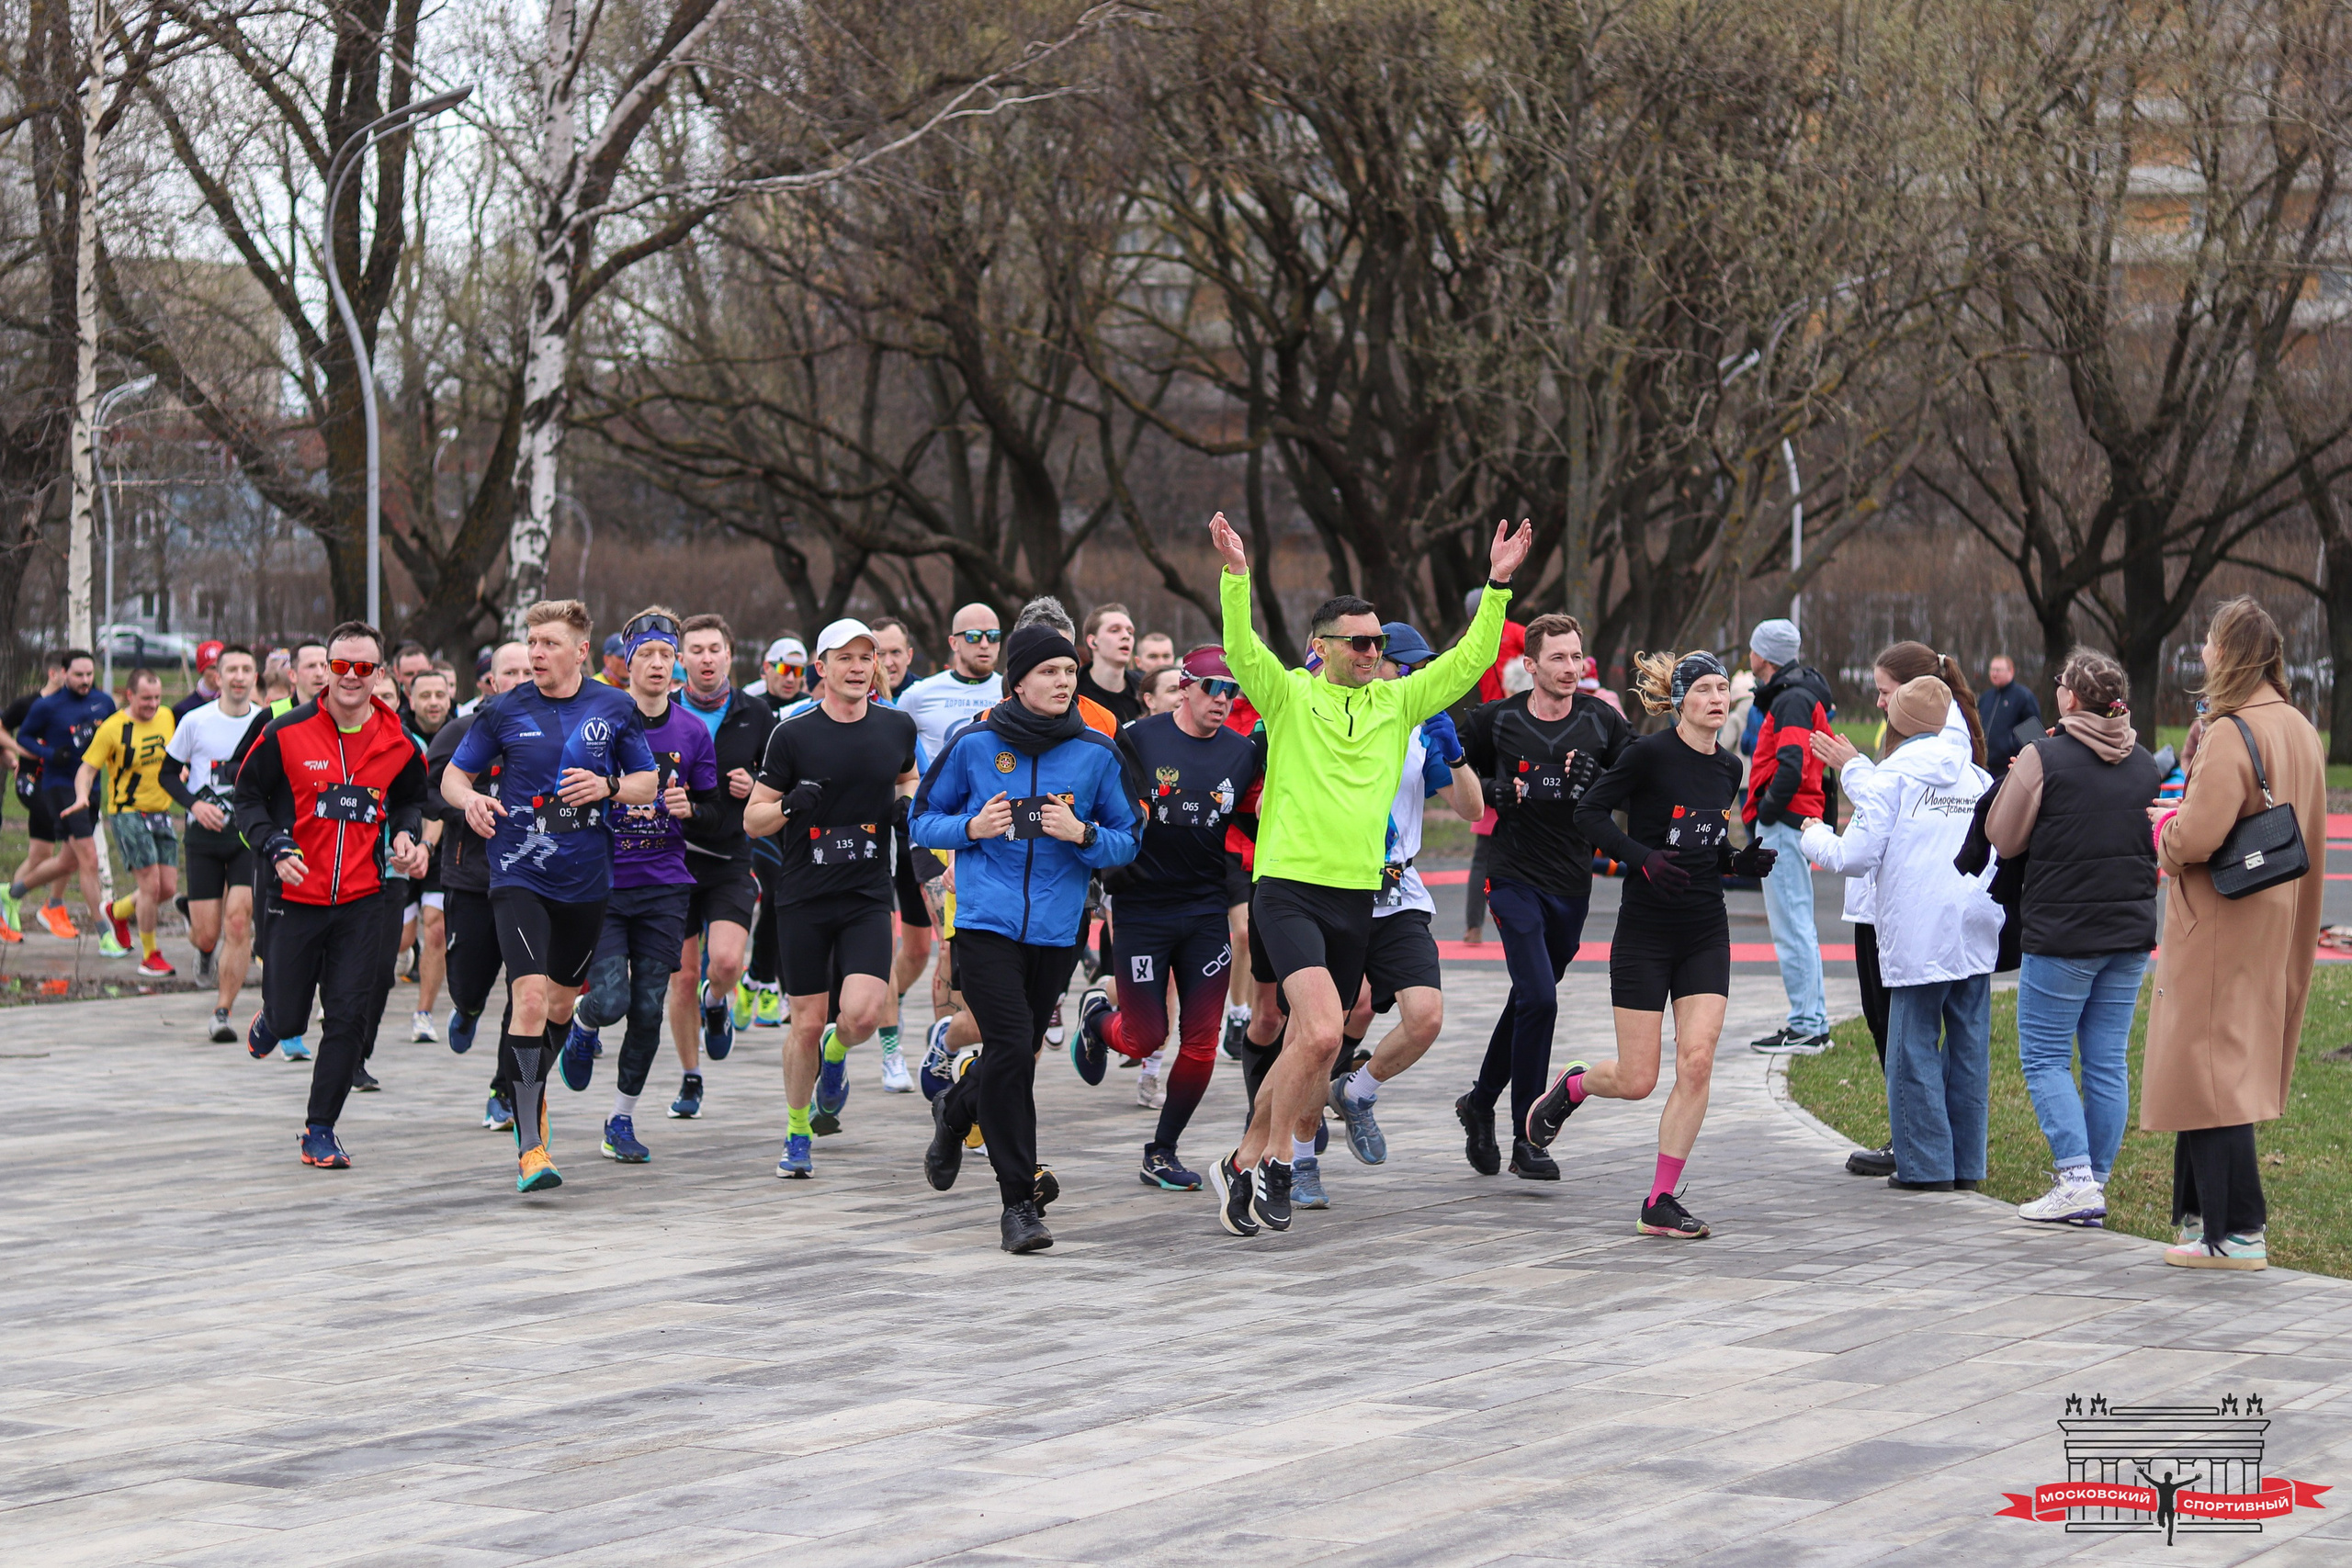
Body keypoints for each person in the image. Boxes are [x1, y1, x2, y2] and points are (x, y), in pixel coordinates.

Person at [1207, 509, 1523, 1237]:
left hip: (1359, 894)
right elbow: (1239, 644)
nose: (1371, 650)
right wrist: (1236, 574)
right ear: (1321, 648)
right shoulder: (1287, 695)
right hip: (1288, 889)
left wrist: (1498, 584)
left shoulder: (1397, 702)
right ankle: (1283, 1158)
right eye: (1358, 642)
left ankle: (1244, 1157)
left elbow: (1467, 662)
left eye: (1378, 641)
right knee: (1319, 1033)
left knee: (1308, 1044)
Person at [1528, 650, 1777, 1239]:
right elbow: (1589, 813)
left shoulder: (1728, 767)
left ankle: (1659, 1200)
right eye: (1706, 690)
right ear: (1681, 700)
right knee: (1639, 1079)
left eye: (1724, 689)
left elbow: (1706, 838)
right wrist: (1641, 860)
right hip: (1644, 933)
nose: (1718, 698)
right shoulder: (1647, 755)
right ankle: (1575, 1085)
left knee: (1697, 1060)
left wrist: (1736, 861)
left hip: (1704, 930)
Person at [914, 623, 1139, 1252]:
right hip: (984, 923)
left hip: (1058, 929)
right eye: (1050, 671)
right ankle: (1018, 1202)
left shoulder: (1097, 752)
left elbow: (1131, 835)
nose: (1064, 681)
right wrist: (971, 826)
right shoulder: (975, 744)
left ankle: (957, 1111)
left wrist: (1084, 835)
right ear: (1018, 680)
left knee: (1016, 1050)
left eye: (1070, 671)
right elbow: (920, 819)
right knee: (1012, 1044)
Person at [443, 601, 660, 1194]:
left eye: (548, 643)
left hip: (587, 881)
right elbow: (453, 777)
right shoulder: (504, 710)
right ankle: (531, 1143)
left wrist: (608, 785)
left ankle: (529, 1087)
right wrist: (471, 801)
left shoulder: (614, 707)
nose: (536, 653)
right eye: (531, 642)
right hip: (518, 871)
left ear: (580, 650)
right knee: (530, 999)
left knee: (561, 1008)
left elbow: (648, 782)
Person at [2144, 598, 2324, 1272]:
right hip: (2271, 913)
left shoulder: (2230, 730)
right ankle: (2201, 1219)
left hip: (2219, 917)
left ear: (2232, 652)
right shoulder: (2299, 726)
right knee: (2215, 1065)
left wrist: (2162, 830)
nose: (2205, 653)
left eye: (2212, 642)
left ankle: (2238, 1228)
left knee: (2211, 1067)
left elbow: (2195, 835)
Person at [232, 621, 430, 1169]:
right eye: (339, 665)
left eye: (362, 668)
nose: (348, 677)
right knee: (293, 1019)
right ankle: (274, 1018)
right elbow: (245, 797)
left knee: (348, 1017)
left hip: (365, 899)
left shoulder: (398, 743)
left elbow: (414, 799)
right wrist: (273, 843)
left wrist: (410, 837)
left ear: (379, 674)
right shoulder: (287, 732)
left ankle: (320, 1130)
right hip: (295, 897)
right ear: (325, 668)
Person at [1978, 648, 2160, 1226]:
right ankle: (2094, 1179)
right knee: (2107, 1060)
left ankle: (2076, 1178)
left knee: (2046, 1056)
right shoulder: (2147, 763)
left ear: (2071, 697)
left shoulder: (2043, 757)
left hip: (2062, 933)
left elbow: (2003, 838)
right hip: (2129, 932)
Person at [1800, 675, 1998, 1193]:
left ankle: (1926, 1165)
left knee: (1911, 1049)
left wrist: (1814, 835)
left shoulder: (1893, 778)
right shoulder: (1976, 777)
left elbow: (1856, 854)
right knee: (1969, 1049)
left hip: (1917, 930)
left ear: (1897, 724)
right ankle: (1965, 1164)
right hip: (1974, 926)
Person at [1309, 620, 1483, 1204]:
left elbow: (1472, 810)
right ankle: (1300, 1151)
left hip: (1398, 891)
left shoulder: (1419, 728)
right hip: (1335, 887)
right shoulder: (1329, 717)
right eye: (1402, 666)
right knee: (1327, 1027)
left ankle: (1356, 1092)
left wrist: (1454, 753)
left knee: (1426, 1017)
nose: (1413, 676)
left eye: (1417, 668)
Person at [1453, 613, 1633, 1179]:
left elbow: (1641, 776)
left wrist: (1601, 791)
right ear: (1529, 666)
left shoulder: (1602, 720)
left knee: (1529, 999)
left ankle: (1478, 1104)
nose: (1571, 668)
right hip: (1511, 878)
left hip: (1570, 887)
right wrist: (1496, 790)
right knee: (1541, 999)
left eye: (1577, 656)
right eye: (1558, 658)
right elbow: (1445, 766)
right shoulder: (1495, 720)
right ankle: (1527, 1139)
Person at [1075, 646, 1260, 1191]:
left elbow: (1254, 821)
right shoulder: (1138, 738)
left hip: (1205, 909)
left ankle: (1162, 1150)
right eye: (1213, 689)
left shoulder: (1241, 753)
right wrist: (1104, 876)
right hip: (1141, 908)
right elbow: (1099, 808)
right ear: (1185, 687)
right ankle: (1097, 1020)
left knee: (1200, 1041)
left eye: (1234, 691)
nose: (1224, 701)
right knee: (1144, 1036)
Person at [743, 618, 919, 1177]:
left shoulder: (896, 728)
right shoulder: (793, 734)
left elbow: (908, 779)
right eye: (844, 658)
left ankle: (837, 1056)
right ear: (821, 668)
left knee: (862, 1016)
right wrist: (791, 806)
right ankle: (797, 1132)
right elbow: (753, 820)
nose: (857, 667)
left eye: (866, 658)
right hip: (803, 898)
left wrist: (905, 805)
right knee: (805, 1021)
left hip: (867, 891)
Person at [560, 609, 717, 1164]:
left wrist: (691, 807)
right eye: (646, 654)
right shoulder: (596, 720)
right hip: (603, 880)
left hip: (664, 884)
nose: (657, 664)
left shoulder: (693, 731)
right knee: (609, 999)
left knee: (650, 1008)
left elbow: (714, 805)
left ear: (676, 665)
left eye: (666, 655)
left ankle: (620, 1120)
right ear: (626, 662)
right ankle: (583, 1023)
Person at [669, 614, 774, 1119]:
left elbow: (781, 786)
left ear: (730, 655)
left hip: (731, 857)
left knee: (726, 963)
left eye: (715, 649)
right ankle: (691, 1077)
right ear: (680, 658)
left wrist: (754, 785)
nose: (707, 658)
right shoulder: (659, 712)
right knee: (682, 977)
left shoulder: (756, 715)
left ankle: (719, 1002)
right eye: (697, 650)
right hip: (669, 857)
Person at [427, 640, 532, 1128]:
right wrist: (466, 805)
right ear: (491, 681)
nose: (521, 679)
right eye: (510, 672)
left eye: (530, 670)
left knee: (525, 990)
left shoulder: (561, 734)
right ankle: (466, 1009)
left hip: (533, 881)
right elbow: (429, 791)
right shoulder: (463, 731)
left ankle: (504, 1091)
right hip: (472, 877)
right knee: (470, 981)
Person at [1738, 617, 1835, 1055]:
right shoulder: (1798, 693)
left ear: (1764, 655)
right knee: (1798, 925)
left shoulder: (1791, 699)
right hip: (1797, 820)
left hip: (1787, 822)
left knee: (1792, 927)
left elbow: (1791, 764)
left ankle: (1807, 1027)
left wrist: (1765, 815)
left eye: (1754, 647)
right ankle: (1811, 1022)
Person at [165, 643, 260, 1036]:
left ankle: (223, 1011)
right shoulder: (195, 721)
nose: (239, 676)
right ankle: (202, 941)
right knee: (208, 933)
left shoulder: (268, 722)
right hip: (204, 836)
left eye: (246, 669)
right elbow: (168, 773)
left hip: (249, 837)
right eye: (231, 670)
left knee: (238, 924)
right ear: (217, 677)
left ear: (256, 677)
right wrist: (193, 805)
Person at [4, 650, 119, 949]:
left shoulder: (104, 702)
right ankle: (105, 935)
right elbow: (25, 737)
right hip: (59, 786)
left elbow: (116, 736)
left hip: (91, 787)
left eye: (89, 675)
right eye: (79, 675)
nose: (85, 680)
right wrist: (49, 754)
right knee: (89, 858)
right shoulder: (47, 706)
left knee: (67, 862)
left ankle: (11, 893)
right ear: (63, 673)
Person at [74, 669, 179, 975]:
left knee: (168, 888)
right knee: (150, 885)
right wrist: (82, 796)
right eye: (146, 698)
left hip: (161, 811)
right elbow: (86, 770)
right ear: (130, 695)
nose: (153, 705)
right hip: (127, 812)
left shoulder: (167, 717)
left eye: (158, 698)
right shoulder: (112, 728)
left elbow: (175, 757)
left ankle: (117, 911)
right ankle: (151, 955)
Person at [2, 651, 73, 940]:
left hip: (62, 783)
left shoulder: (73, 706)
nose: (80, 680)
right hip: (32, 782)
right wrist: (17, 751)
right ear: (54, 674)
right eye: (72, 673)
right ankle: (53, 906)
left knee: (41, 854)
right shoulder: (28, 704)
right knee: (73, 837)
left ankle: (9, 903)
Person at [403, 666, 457, 1041]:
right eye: (426, 696)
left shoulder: (463, 734)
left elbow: (440, 802)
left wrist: (429, 844)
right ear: (411, 700)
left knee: (435, 929)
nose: (434, 703)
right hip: (397, 846)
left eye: (440, 695)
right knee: (401, 938)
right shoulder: (397, 734)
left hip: (442, 848)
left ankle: (424, 1013)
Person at [899, 604, 1004, 763]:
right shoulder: (918, 695)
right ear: (954, 643)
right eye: (973, 636)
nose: (984, 644)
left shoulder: (1016, 693)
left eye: (993, 636)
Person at [1077, 602, 1144, 726]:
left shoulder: (1144, 687)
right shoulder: (1073, 690)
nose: (1126, 636)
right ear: (1093, 641)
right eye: (1114, 630)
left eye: (1130, 632)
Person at [1979, 653, 2043, 776]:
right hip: (1984, 767)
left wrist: (2011, 746)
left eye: (1998, 670)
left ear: (2011, 671)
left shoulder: (2023, 697)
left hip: (2010, 768)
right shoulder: (1985, 698)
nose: (1994, 674)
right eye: (1992, 670)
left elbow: (2035, 734)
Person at [745, 636, 807, 707]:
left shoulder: (810, 706)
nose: (790, 679)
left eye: (799, 671)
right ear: (767, 667)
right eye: (783, 669)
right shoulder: (751, 709)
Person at [171, 639, 226, 721]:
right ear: (202, 670)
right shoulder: (184, 710)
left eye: (222, 667)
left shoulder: (235, 706)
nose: (218, 672)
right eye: (213, 668)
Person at [870, 615, 918, 698]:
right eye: (880, 654)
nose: (888, 663)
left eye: (895, 652)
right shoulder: (855, 698)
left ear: (909, 656)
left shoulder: (927, 697)